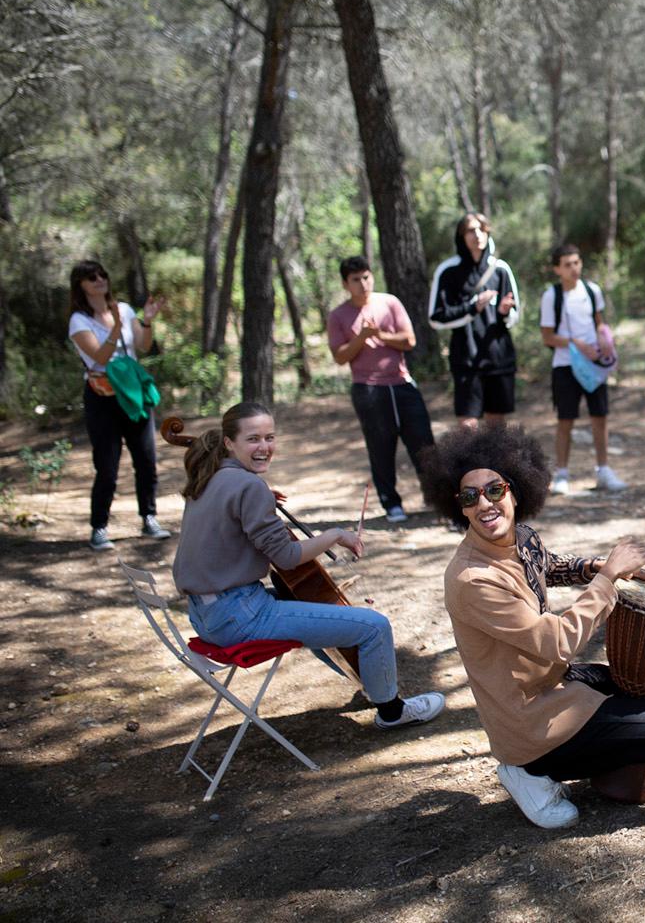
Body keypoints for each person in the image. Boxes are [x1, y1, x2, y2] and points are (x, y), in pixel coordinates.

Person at [420, 423, 645, 828]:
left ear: (515, 490)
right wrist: (607, 582)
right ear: (459, 508)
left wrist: (594, 567)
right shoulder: (472, 580)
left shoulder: (521, 539)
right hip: (528, 719)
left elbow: (547, 565)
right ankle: (529, 771)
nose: (485, 504)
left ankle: (597, 752)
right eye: (470, 496)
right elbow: (556, 643)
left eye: (494, 490)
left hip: (556, 683)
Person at [171, 402, 446, 730]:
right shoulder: (247, 486)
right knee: (374, 626)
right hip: (239, 618)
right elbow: (286, 557)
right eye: (253, 439)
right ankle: (392, 711)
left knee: (307, 601)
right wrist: (334, 535)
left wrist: (259, 500)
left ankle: (367, 677)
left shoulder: (211, 477)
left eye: (269, 437)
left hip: (205, 616)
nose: (265, 447)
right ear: (229, 443)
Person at [67, 260, 170, 551]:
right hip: (102, 397)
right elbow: (99, 358)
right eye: (91, 277)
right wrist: (115, 327)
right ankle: (99, 527)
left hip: (132, 393)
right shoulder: (79, 320)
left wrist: (147, 320)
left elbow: (143, 345)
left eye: (102, 274)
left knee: (146, 459)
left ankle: (149, 518)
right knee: (108, 466)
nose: (99, 280)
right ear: (81, 285)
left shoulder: (123, 309)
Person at [327, 256, 436, 523]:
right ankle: (391, 503)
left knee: (423, 442)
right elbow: (340, 357)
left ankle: (436, 497)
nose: (363, 284)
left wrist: (379, 335)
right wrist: (361, 338)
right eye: (355, 280)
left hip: (401, 383)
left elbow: (409, 340)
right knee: (381, 446)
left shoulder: (389, 302)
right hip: (368, 388)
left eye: (366, 277)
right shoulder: (338, 316)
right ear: (345, 284)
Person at [539, 243, 627, 494]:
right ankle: (562, 474)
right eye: (567, 265)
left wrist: (603, 336)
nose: (573, 269)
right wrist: (575, 343)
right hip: (565, 365)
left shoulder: (591, 290)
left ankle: (604, 471)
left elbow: (598, 321)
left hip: (594, 365)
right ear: (557, 269)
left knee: (600, 416)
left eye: (576, 263)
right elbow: (547, 337)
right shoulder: (551, 296)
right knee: (565, 419)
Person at [428, 212, 521, 428]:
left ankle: (497, 464)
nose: (477, 235)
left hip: (498, 357)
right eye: (470, 230)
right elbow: (436, 318)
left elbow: (514, 316)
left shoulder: (501, 269)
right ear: (461, 236)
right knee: (468, 426)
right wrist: (472, 308)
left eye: (481, 229)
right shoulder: (448, 271)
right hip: (466, 358)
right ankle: (469, 464)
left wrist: (504, 312)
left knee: (497, 426)